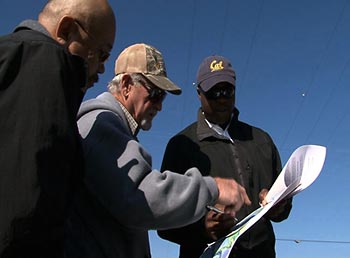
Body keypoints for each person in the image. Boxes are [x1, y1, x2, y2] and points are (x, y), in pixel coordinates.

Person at [64, 43, 251, 258]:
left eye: (163, 96)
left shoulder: (112, 130)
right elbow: (141, 196)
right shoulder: (100, 124)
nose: (160, 105)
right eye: (154, 93)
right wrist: (213, 188)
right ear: (126, 85)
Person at [0, 0, 116, 257]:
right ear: (66, 31)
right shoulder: (44, 63)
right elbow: (25, 206)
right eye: (103, 53)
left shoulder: (12, 54)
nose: (103, 67)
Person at [157, 55, 293, 258]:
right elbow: (164, 222)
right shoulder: (181, 145)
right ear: (199, 93)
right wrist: (203, 229)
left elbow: (284, 206)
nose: (222, 98)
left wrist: (278, 207)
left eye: (227, 91)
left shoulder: (262, 140)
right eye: (214, 92)